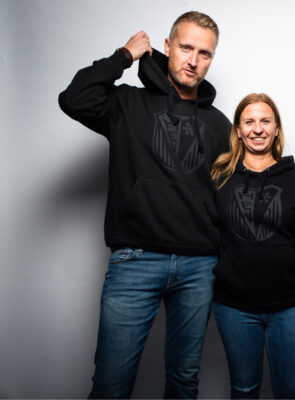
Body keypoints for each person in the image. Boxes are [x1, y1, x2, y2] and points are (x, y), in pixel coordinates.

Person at [58, 12, 231, 399]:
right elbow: (73, 99)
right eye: (186, 48)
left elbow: (234, 191)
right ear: (167, 47)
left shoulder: (219, 124)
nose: (193, 60)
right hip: (135, 260)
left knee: (184, 381)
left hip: (199, 267)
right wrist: (123, 56)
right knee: (112, 384)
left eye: (204, 53)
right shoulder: (127, 103)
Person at [210, 93, 295, 398]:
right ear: (238, 130)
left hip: (291, 307)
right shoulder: (220, 180)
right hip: (233, 307)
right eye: (249, 122)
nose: (257, 129)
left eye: (265, 121)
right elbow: (206, 236)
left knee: (289, 392)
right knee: (244, 390)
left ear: (276, 129)